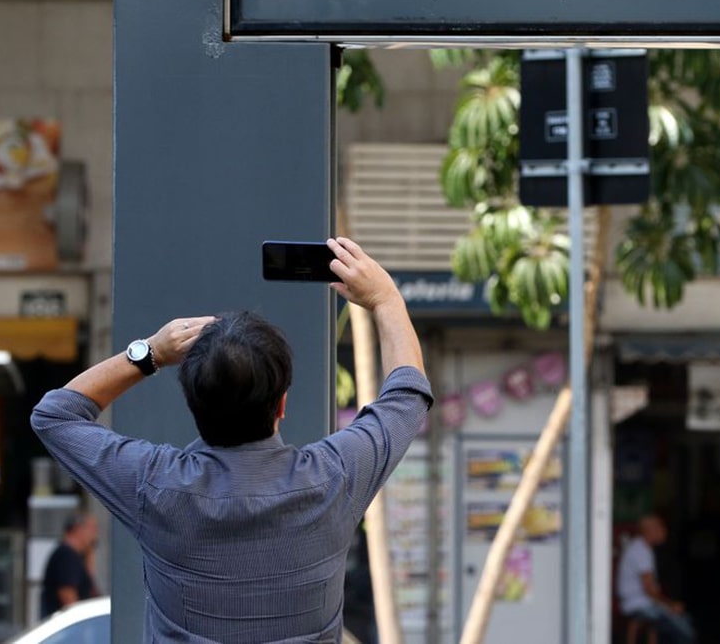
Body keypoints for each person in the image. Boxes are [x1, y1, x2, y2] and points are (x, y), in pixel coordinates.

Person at [31, 237, 431, 643]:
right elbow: (408, 395)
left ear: (194, 404)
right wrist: (385, 299)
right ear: (282, 404)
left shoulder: (154, 486)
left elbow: (55, 414)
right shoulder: (335, 478)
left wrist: (150, 353)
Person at [616, 514, 696, 644]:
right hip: (638, 604)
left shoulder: (641, 548)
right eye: (661, 527)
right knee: (685, 631)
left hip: (641, 603)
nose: (664, 531)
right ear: (650, 530)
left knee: (677, 621)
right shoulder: (640, 551)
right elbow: (649, 589)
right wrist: (670, 605)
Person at [39, 510, 99, 618]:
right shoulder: (67, 556)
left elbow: (89, 586)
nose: (95, 536)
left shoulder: (76, 556)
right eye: (93, 529)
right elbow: (67, 595)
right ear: (79, 529)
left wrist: (89, 553)